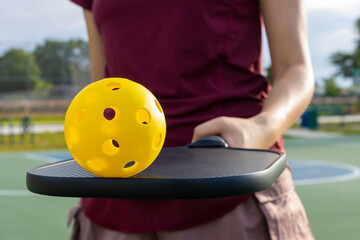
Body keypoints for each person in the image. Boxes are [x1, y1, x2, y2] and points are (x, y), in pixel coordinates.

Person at [68, 0, 315, 239]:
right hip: (114, 199)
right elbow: (101, 87)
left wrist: (260, 128)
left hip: (229, 188)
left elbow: (295, 68)